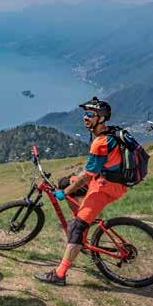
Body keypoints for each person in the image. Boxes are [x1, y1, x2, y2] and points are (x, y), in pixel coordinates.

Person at [35, 97, 127, 286]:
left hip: (106, 188)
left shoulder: (101, 143)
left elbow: (87, 176)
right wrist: (66, 187)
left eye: (90, 115)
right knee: (63, 182)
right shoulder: (110, 133)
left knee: (76, 227)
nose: (85, 118)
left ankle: (60, 274)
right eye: (85, 114)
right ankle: (82, 221)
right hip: (103, 180)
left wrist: (65, 193)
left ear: (101, 119)